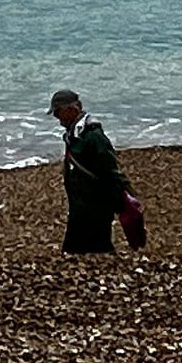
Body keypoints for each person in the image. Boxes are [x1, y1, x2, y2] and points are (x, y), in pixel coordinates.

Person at [49, 88, 135, 254]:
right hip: (80, 207)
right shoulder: (74, 135)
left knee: (95, 249)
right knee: (77, 250)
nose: (57, 119)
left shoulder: (93, 136)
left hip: (96, 206)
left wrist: (122, 200)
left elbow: (110, 171)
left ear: (73, 109)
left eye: (58, 113)